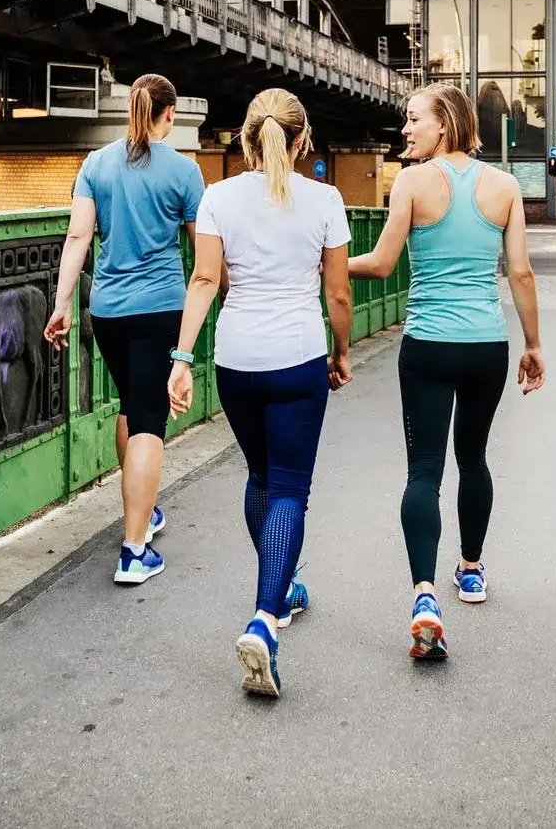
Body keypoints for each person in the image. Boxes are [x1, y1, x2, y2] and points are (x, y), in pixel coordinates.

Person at [167, 88, 353, 699]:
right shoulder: (325, 199)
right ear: (303, 141)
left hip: (237, 360)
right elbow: (338, 295)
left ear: (246, 138)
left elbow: (204, 279)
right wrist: (342, 349)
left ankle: (282, 588)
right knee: (291, 488)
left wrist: (181, 356)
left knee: (261, 478)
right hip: (298, 357)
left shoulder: (217, 198)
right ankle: (264, 620)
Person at [349, 82, 544, 662]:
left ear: (445, 123)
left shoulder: (410, 183)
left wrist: (327, 259)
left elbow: (382, 264)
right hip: (486, 343)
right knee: (474, 458)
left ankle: (425, 597)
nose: (405, 130)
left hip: (428, 345)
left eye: (413, 120)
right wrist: (533, 344)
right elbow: (521, 274)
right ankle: (472, 570)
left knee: (424, 470)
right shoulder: (505, 187)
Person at [45, 73, 205, 585]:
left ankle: (143, 511)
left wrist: (62, 302)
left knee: (131, 408)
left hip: (107, 311)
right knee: (150, 422)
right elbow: (204, 255)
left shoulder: (95, 164)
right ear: (170, 113)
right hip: (160, 309)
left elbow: (77, 237)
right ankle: (134, 550)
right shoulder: (184, 172)